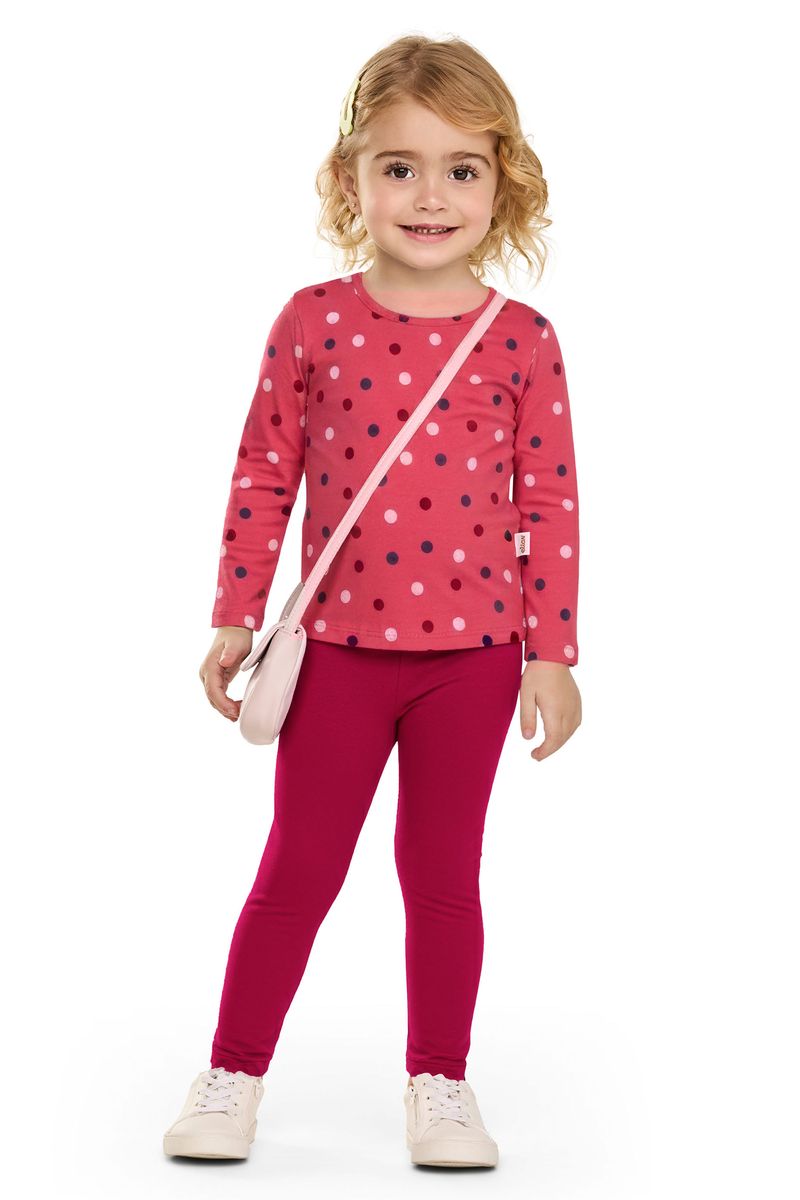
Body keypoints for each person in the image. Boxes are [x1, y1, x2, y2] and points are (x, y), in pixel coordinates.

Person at [163, 32, 582, 1169]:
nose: (429, 195)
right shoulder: (312, 320)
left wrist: (552, 652)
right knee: (298, 868)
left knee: (442, 878)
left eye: (460, 168)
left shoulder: (523, 340)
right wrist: (234, 614)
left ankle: (440, 1082)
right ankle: (233, 1073)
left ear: (502, 183)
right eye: (399, 166)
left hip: (474, 657)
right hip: (336, 654)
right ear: (350, 179)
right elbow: (264, 474)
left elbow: (547, 501)